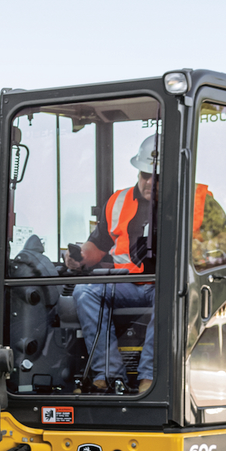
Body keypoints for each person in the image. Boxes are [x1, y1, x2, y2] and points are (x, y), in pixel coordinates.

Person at [67, 133, 163, 393]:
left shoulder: (191, 202)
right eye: (145, 175)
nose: (149, 182)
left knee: (171, 296)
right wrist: (79, 258)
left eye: (157, 176)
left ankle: (150, 378)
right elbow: (98, 245)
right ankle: (107, 374)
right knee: (85, 290)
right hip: (127, 284)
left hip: (165, 286)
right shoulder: (118, 201)